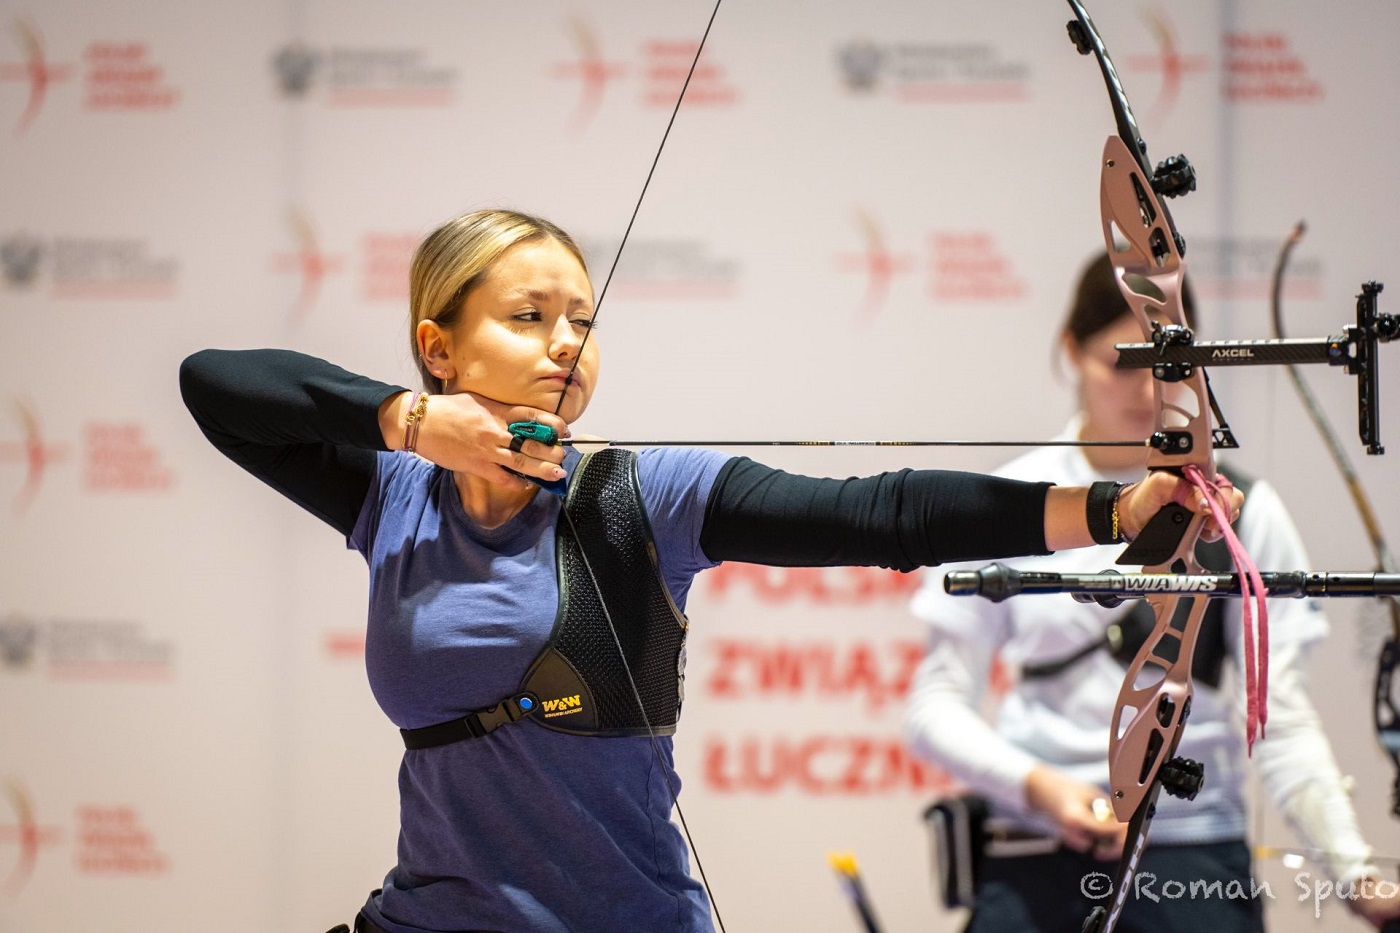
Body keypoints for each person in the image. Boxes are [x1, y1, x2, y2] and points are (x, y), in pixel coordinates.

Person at [179, 212, 1237, 933]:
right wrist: (407, 422)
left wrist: (1113, 506)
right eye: (529, 316)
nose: (565, 345)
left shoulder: (644, 495)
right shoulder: (391, 494)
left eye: (581, 320)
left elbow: (877, 513)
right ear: (437, 346)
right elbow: (213, 386)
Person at [905, 252, 1400, 932]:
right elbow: (935, 706)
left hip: (1192, 854)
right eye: (1122, 361)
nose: (1146, 390)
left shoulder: (1238, 507)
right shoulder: (1011, 502)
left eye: (1167, 364)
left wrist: (1356, 874)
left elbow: (1280, 717)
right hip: (1037, 853)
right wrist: (1038, 787)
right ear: (1071, 351)